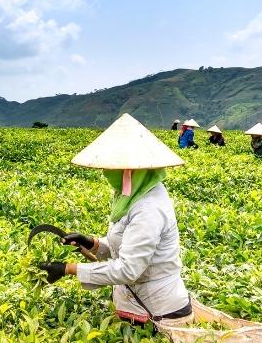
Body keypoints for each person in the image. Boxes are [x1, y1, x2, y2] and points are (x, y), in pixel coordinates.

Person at [35, 113, 194, 325]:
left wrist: (68, 269)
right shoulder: (130, 194)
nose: (106, 173)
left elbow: (129, 269)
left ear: (128, 170)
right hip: (133, 306)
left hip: (159, 313)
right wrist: (92, 243)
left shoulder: (149, 208)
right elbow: (125, 245)